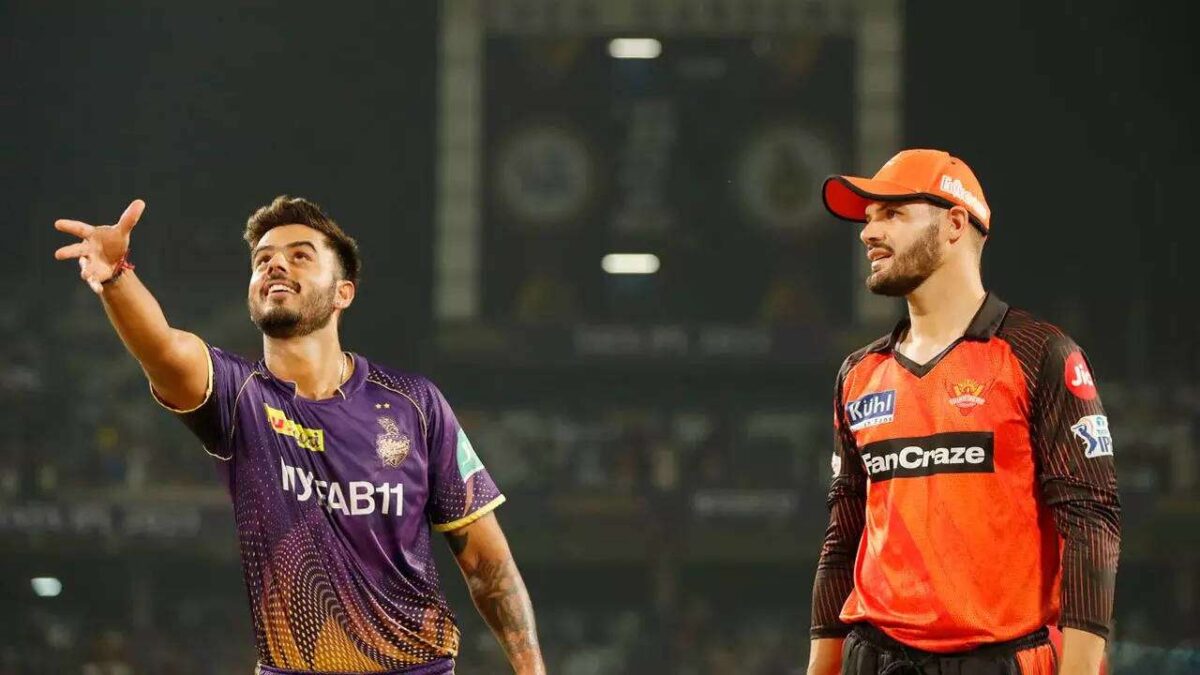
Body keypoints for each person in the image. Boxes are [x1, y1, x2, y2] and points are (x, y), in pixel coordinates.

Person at [54, 196, 545, 675]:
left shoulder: (415, 403)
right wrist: (116, 277)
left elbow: (488, 566)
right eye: (262, 259)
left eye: (300, 256)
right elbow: (161, 349)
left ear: (343, 293)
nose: (274, 265)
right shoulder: (238, 395)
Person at [806, 150, 1120, 675]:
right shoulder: (858, 373)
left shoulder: (1040, 354)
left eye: (892, 214)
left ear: (954, 223)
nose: (868, 233)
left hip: (998, 660)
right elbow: (844, 534)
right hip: (873, 657)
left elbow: (1092, 522)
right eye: (869, 218)